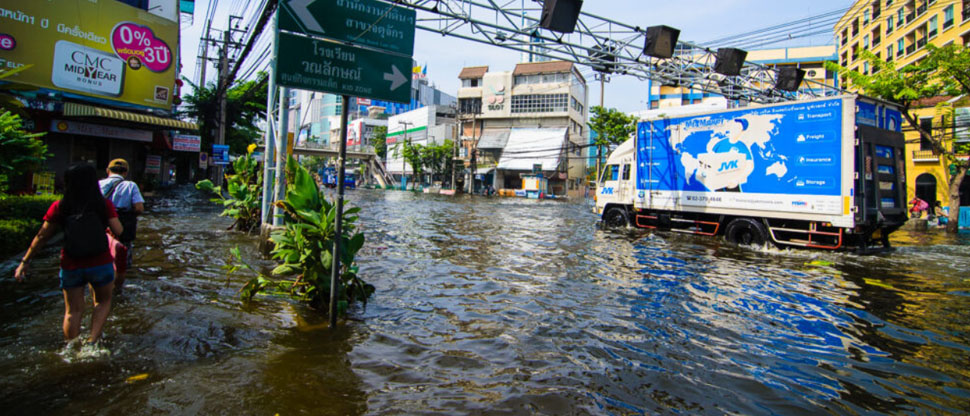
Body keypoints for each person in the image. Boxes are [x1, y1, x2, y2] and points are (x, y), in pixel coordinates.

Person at [14, 163, 124, 343]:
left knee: (73, 311)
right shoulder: (103, 205)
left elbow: (41, 236)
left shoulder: (60, 206)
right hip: (100, 262)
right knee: (102, 301)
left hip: (71, 263)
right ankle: (92, 340)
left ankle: (71, 346)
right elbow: (118, 230)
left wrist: (25, 261)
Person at [99, 158, 144, 290]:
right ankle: (116, 290)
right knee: (121, 263)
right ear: (126, 173)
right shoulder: (131, 186)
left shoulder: (98, 184)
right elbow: (139, 208)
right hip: (122, 229)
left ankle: (100, 289)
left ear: (108, 171)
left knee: (99, 259)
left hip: (100, 228)